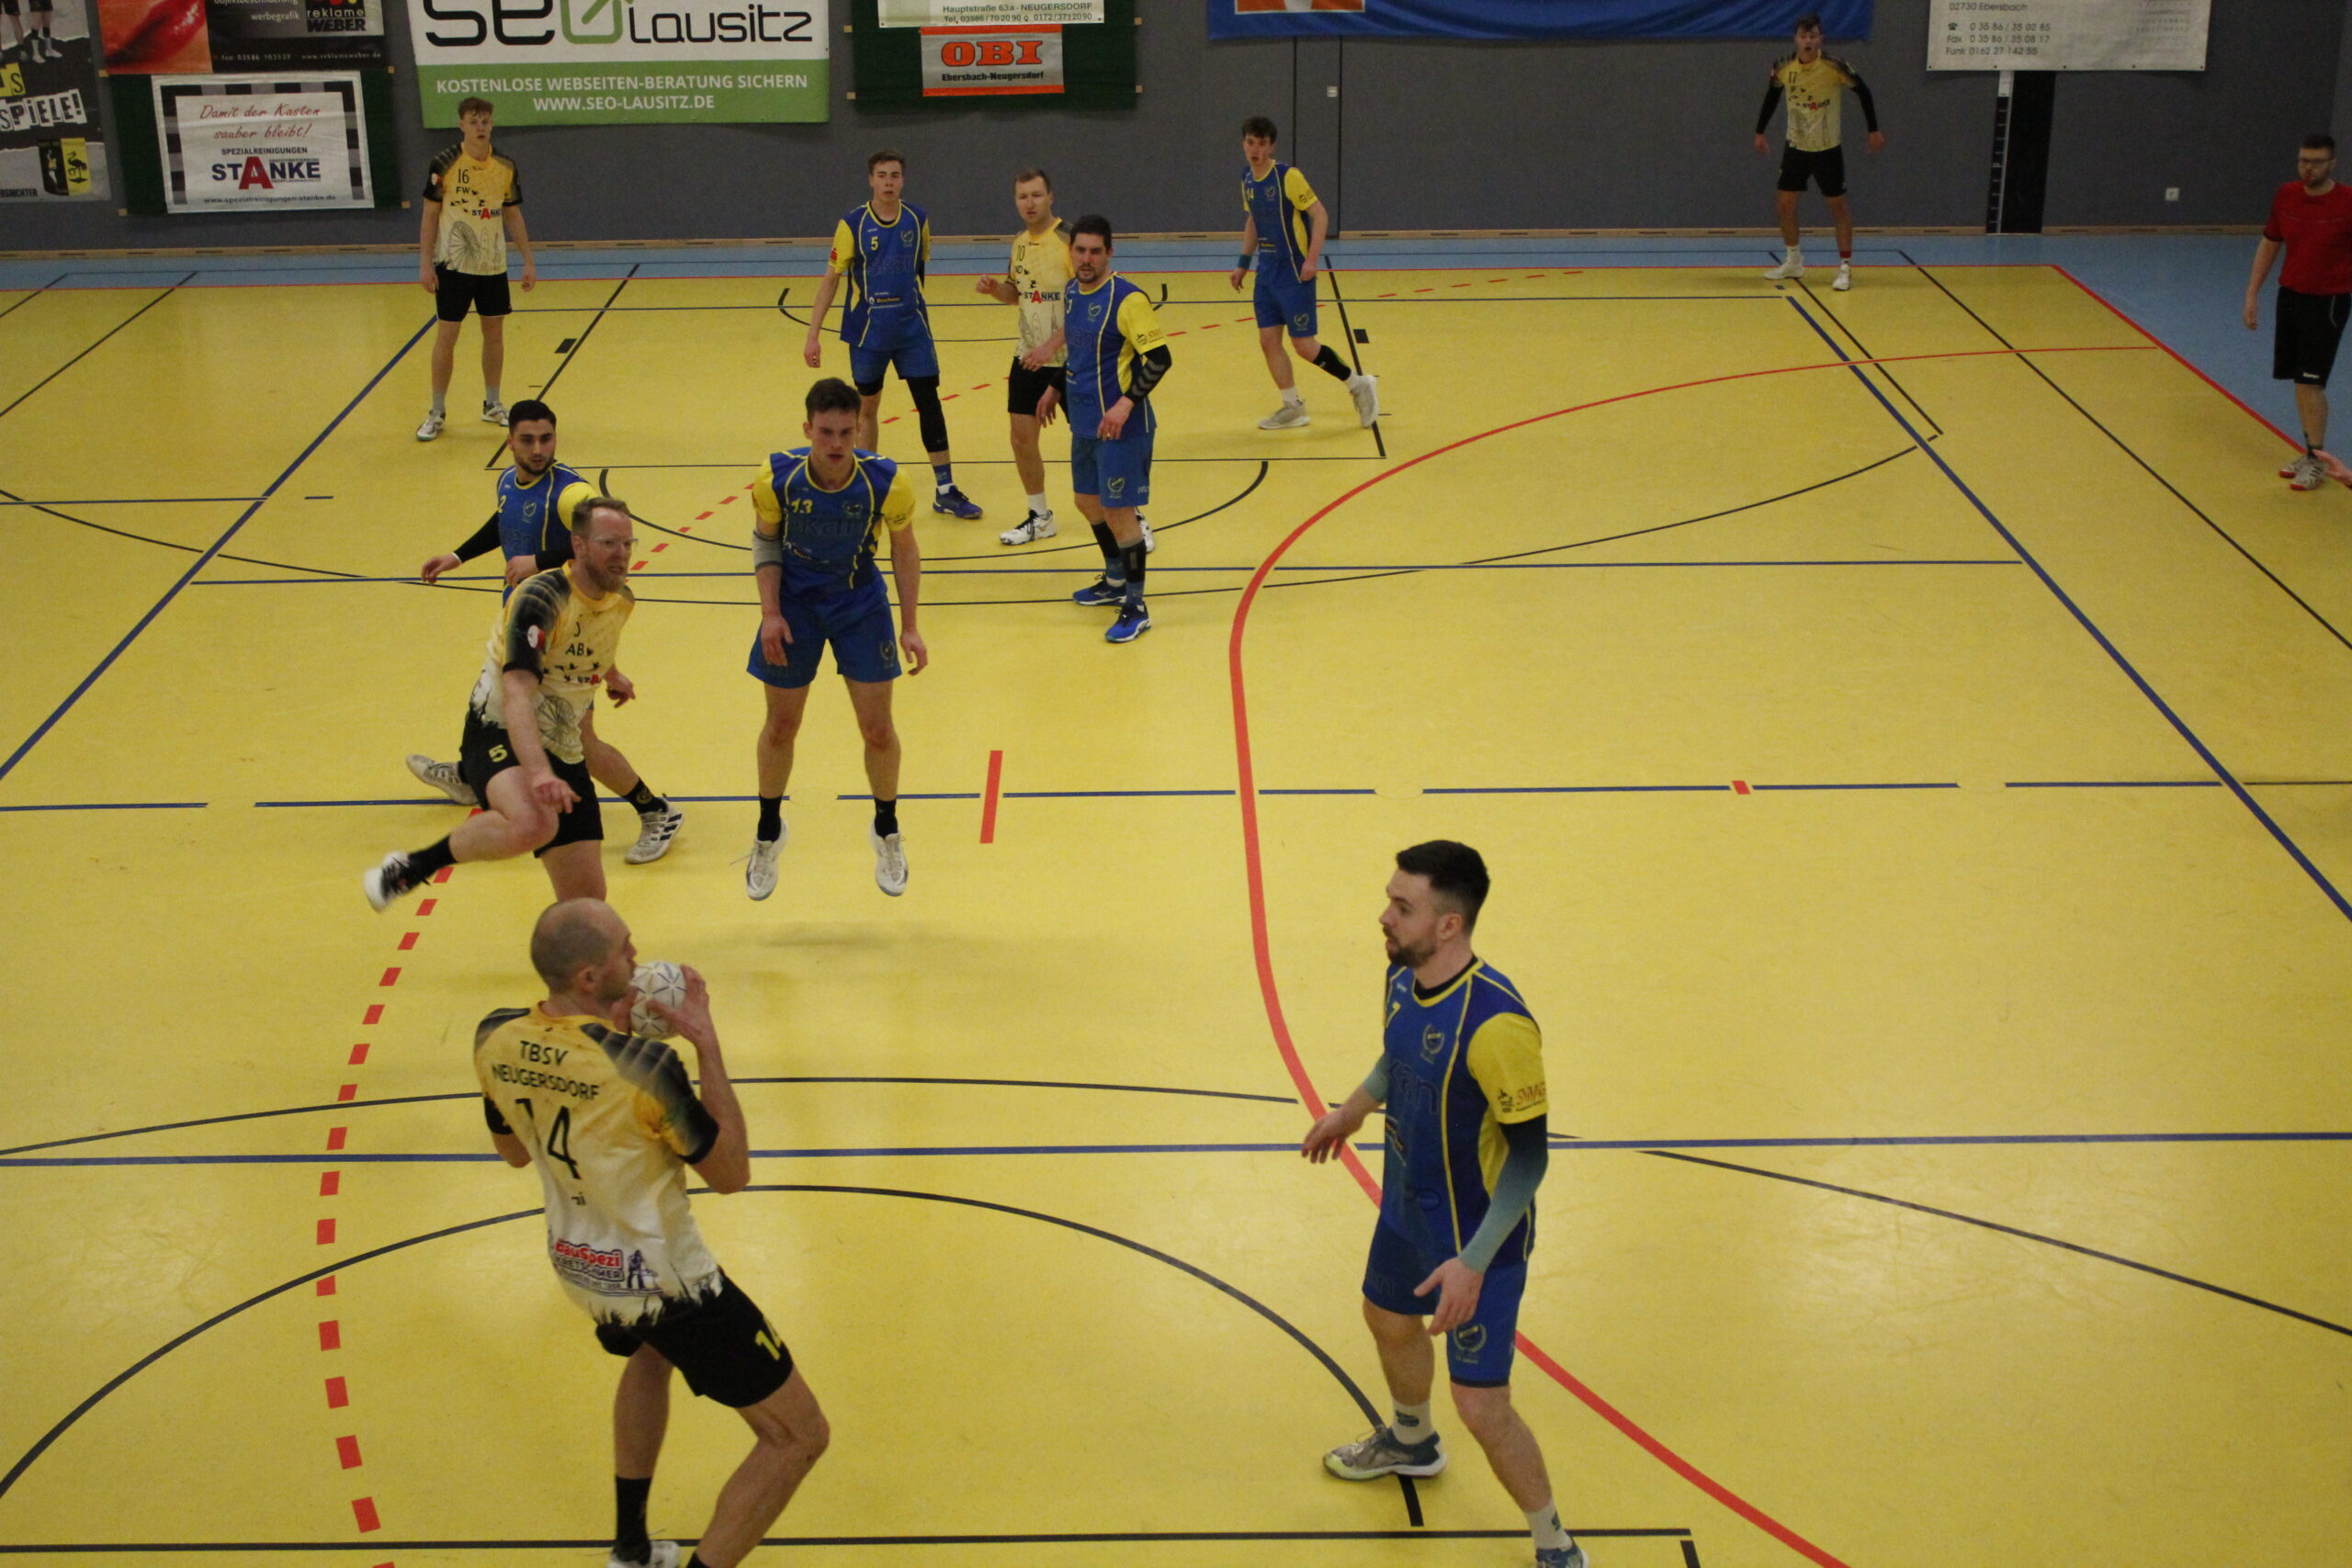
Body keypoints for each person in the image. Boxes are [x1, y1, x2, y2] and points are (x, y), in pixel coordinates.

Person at [478, 898, 829, 1568]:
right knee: (798, 1438)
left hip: (581, 1266)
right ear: (590, 977)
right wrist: (707, 1044)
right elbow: (731, 1174)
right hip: (669, 1284)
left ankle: (631, 1548)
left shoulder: (494, 1036)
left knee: (649, 1354)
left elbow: (514, 1151)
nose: (636, 958)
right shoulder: (644, 1066)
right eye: (625, 949)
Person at [1301, 841, 1578, 1568]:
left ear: (1449, 924)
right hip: (1407, 1209)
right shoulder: (1402, 975)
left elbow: (1530, 1159)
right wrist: (1353, 1110)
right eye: (1389, 900)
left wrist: (1473, 1263)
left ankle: (1556, 1545)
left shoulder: (1497, 1026)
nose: (1384, 916)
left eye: (1403, 906)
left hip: (1479, 1241)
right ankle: (1412, 1439)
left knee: (1483, 1405)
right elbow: (1396, 1055)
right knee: (1387, 1316)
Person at [404, 400, 684, 864]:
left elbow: (597, 542)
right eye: (528, 440)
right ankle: (475, 775)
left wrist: (538, 561)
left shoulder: (571, 494)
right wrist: (457, 556)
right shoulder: (507, 481)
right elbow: (505, 521)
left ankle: (656, 811)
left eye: (547, 439)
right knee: (496, 704)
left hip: (563, 636)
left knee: (578, 740)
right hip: (527, 624)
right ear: (509, 442)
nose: (538, 449)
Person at [364, 496, 647, 910]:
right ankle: (409, 868)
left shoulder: (621, 599)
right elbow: (516, 692)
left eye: (627, 544)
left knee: (587, 903)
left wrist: (611, 673)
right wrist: (538, 772)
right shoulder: (541, 598)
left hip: (562, 744)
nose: (621, 554)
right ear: (579, 545)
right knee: (533, 822)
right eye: (609, 543)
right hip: (499, 730)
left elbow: (587, 639)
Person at [745, 378, 929, 901]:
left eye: (846, 433)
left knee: (878, 729)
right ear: (808, 429)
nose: (835, 443)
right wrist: (770, 613)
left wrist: (910, 625)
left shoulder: (887, 482)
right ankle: (767, 831)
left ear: (859, 430)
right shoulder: (777, 477)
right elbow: (765, 542)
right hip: (795, 606)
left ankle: (887, 829)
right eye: (825, 432)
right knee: (781, 725)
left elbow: (904, 549)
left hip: (858, 603)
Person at [803, 150, 983, 521]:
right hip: (868, 333)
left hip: (912, 331)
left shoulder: (918, 219)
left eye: (895, 175)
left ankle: (945, 490)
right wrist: (813, 335)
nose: (889, 182)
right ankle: (866, 487)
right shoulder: (852, 224)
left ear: (903, 180)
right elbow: (831, 280)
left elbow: (919, 270)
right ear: (871, 180)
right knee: (867, 409)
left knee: (929, 403)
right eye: (882, 175)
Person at [1035, 216, 1170, 645]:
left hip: (1121, 429)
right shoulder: (1073, 292)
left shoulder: (1127, 300)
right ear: (1071, 252)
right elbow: (1078, 352)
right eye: (1080, 250)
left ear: (1109, 253)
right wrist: (1055, 388)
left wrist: (1125, 404)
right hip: (1085, 423)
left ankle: (1136, 606)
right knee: (1086, 502)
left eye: (1095, 251)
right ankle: (1114, 580)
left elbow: (1160, 359)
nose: (1087, 259)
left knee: (1119, 514)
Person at [1228, 116, 1379, 431]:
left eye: (1261, 144)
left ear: (1272, 147)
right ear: (1243, 144)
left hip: (1295, 273)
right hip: (1266, 273)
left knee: (1304, 346)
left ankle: (1358, 385)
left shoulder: (1288, 177)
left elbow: (1320, 215)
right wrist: (1243, 262)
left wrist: (1311, 259)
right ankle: (1292, 406)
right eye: (1250, 142)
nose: (1255, 150)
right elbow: (1253, 220)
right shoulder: (1247, 179)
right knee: (1268, 341)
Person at [416, 96, 534, 441]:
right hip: (453, 265)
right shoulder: (445, 163)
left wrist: (528, 260)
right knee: (447, 337)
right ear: (462, 125)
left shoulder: (505, 166)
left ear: (491, 124)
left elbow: (512, 214)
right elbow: (430, 215)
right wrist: (425, 264)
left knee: (494, 335)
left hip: (493, 265)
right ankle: (437, 411)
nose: (480, 127)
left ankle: (493, 404)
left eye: (485, 121)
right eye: (473, 121)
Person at [2245, 133, 2352, 491]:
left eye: (2317, 162)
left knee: (2311, 381)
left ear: (2332, 164)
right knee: (2299, 381)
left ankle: (2317, 461)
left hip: (2329, 301)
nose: (2308, 168)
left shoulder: (2348, 201)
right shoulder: (2286, 195)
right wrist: (2252, 293)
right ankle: (2310, 453)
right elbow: (2270, 242)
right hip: (2290, 296)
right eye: (2303, 160)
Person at [975, 167, 1075, 547]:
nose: (1029, 203)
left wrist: (1052, 347)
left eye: (1036, 195)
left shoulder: (1070, 240)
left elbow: (1086, 305)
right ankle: (1040, 517)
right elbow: (1016, 293)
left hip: (1070, 359)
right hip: (1028, 357)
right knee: (1021, 439)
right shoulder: (1018, 245)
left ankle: (1130, 515)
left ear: (1050, 197)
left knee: (1095, 442)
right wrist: (994, 289)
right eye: (1022, 197)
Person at [1754, 13, 1882, 291]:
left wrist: (1873, 129)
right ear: (1796, 39)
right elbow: (1772, 96)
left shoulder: (1834, 66)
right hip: (1795, 147)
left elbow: (1864, 92)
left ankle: (1845, 267)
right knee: (1784, 206)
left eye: (1812, 36)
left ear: (1820, 39)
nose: (1808, 41)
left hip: (1827, 149)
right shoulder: (1783, 66)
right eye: (1803, 36)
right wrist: (1760, 131)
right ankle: (1793, 261)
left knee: (1837, 207)